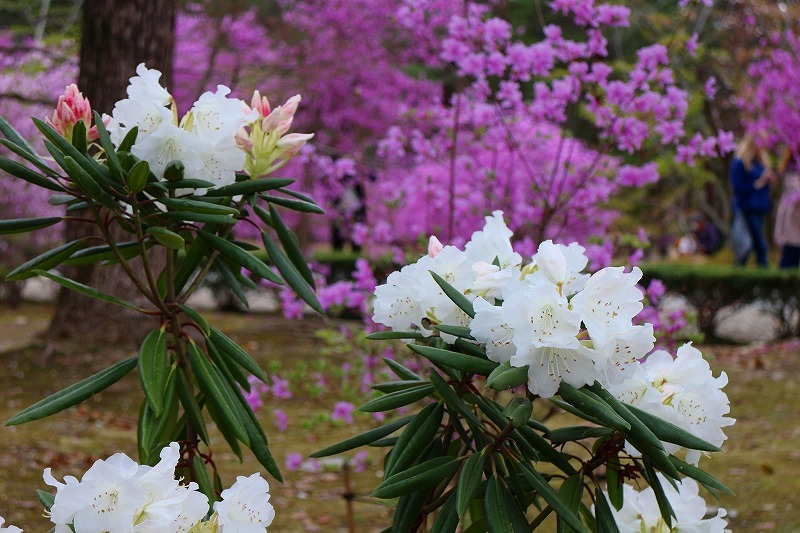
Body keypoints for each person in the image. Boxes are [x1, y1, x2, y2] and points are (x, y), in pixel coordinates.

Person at [730, 134, 774, 267]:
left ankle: (740, 274)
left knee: (750, 245)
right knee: (755, 245)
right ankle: (763, 277)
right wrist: (758, 183)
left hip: (760, 207)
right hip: (747, 208)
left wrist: (768, 181)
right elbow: (737, 188)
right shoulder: (740, 162)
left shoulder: (759, 163)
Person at [774, 148, 800, 269]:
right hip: (793, 223)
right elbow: (796, 193)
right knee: (790, 259)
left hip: (793, 223)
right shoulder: (792, 169)